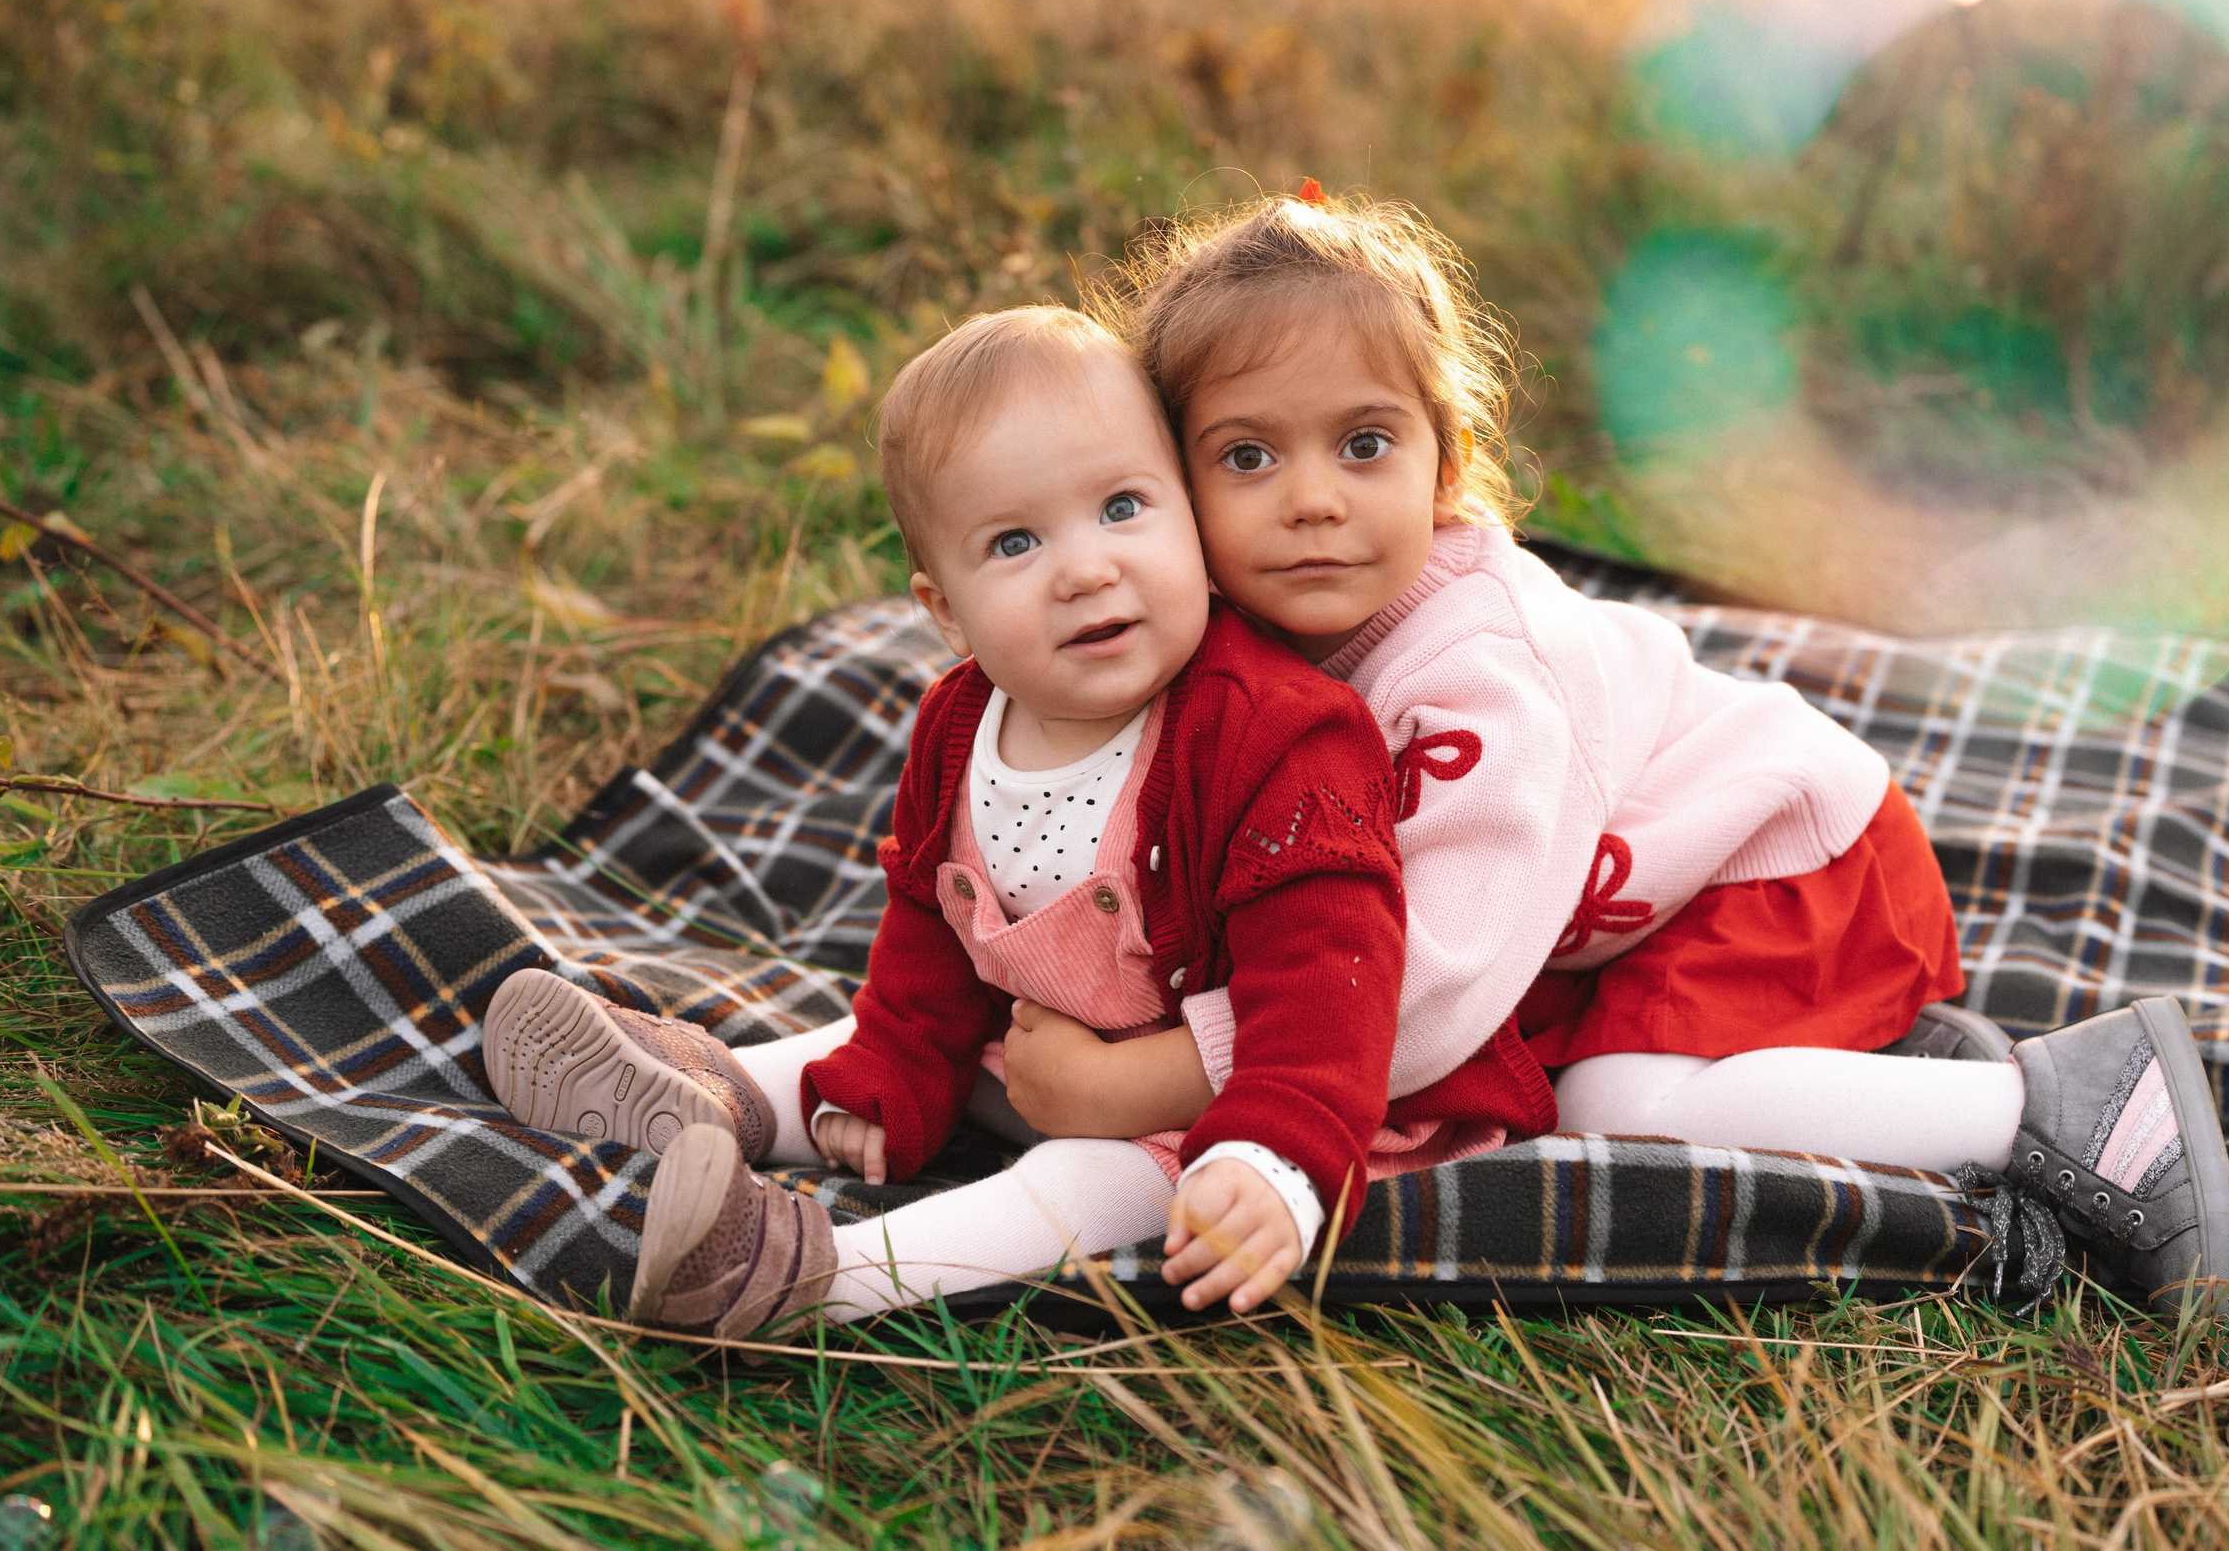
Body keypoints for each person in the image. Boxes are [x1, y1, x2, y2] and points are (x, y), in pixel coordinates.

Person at [1008, 189, 2229, 1311]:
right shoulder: (1232, 647)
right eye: (1246, 456)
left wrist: (1147, 1084)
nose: (1314, 498)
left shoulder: (1481, 671)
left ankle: (2064, 1102)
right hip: (1619, 903)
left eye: (1365, 443)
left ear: (1447, 454)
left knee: (1613, 1105)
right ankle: (1880, 1074)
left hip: (1784, 866)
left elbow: (1423, 993)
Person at [479, 306, 1548, 1338]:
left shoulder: (1276, 738)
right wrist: (895, 1065)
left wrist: (1275, 1156)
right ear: (943, 611)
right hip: (1055, 1050)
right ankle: (713, 1098)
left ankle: (808, 1275)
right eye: (1015, 542)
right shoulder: (959, 719)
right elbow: (929, 923)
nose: (1086, 569)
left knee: (1082, 1180)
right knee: (887, 1047)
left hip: (1254, 1098)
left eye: (1124, 507)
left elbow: (1331, 979)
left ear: (1187, 510)